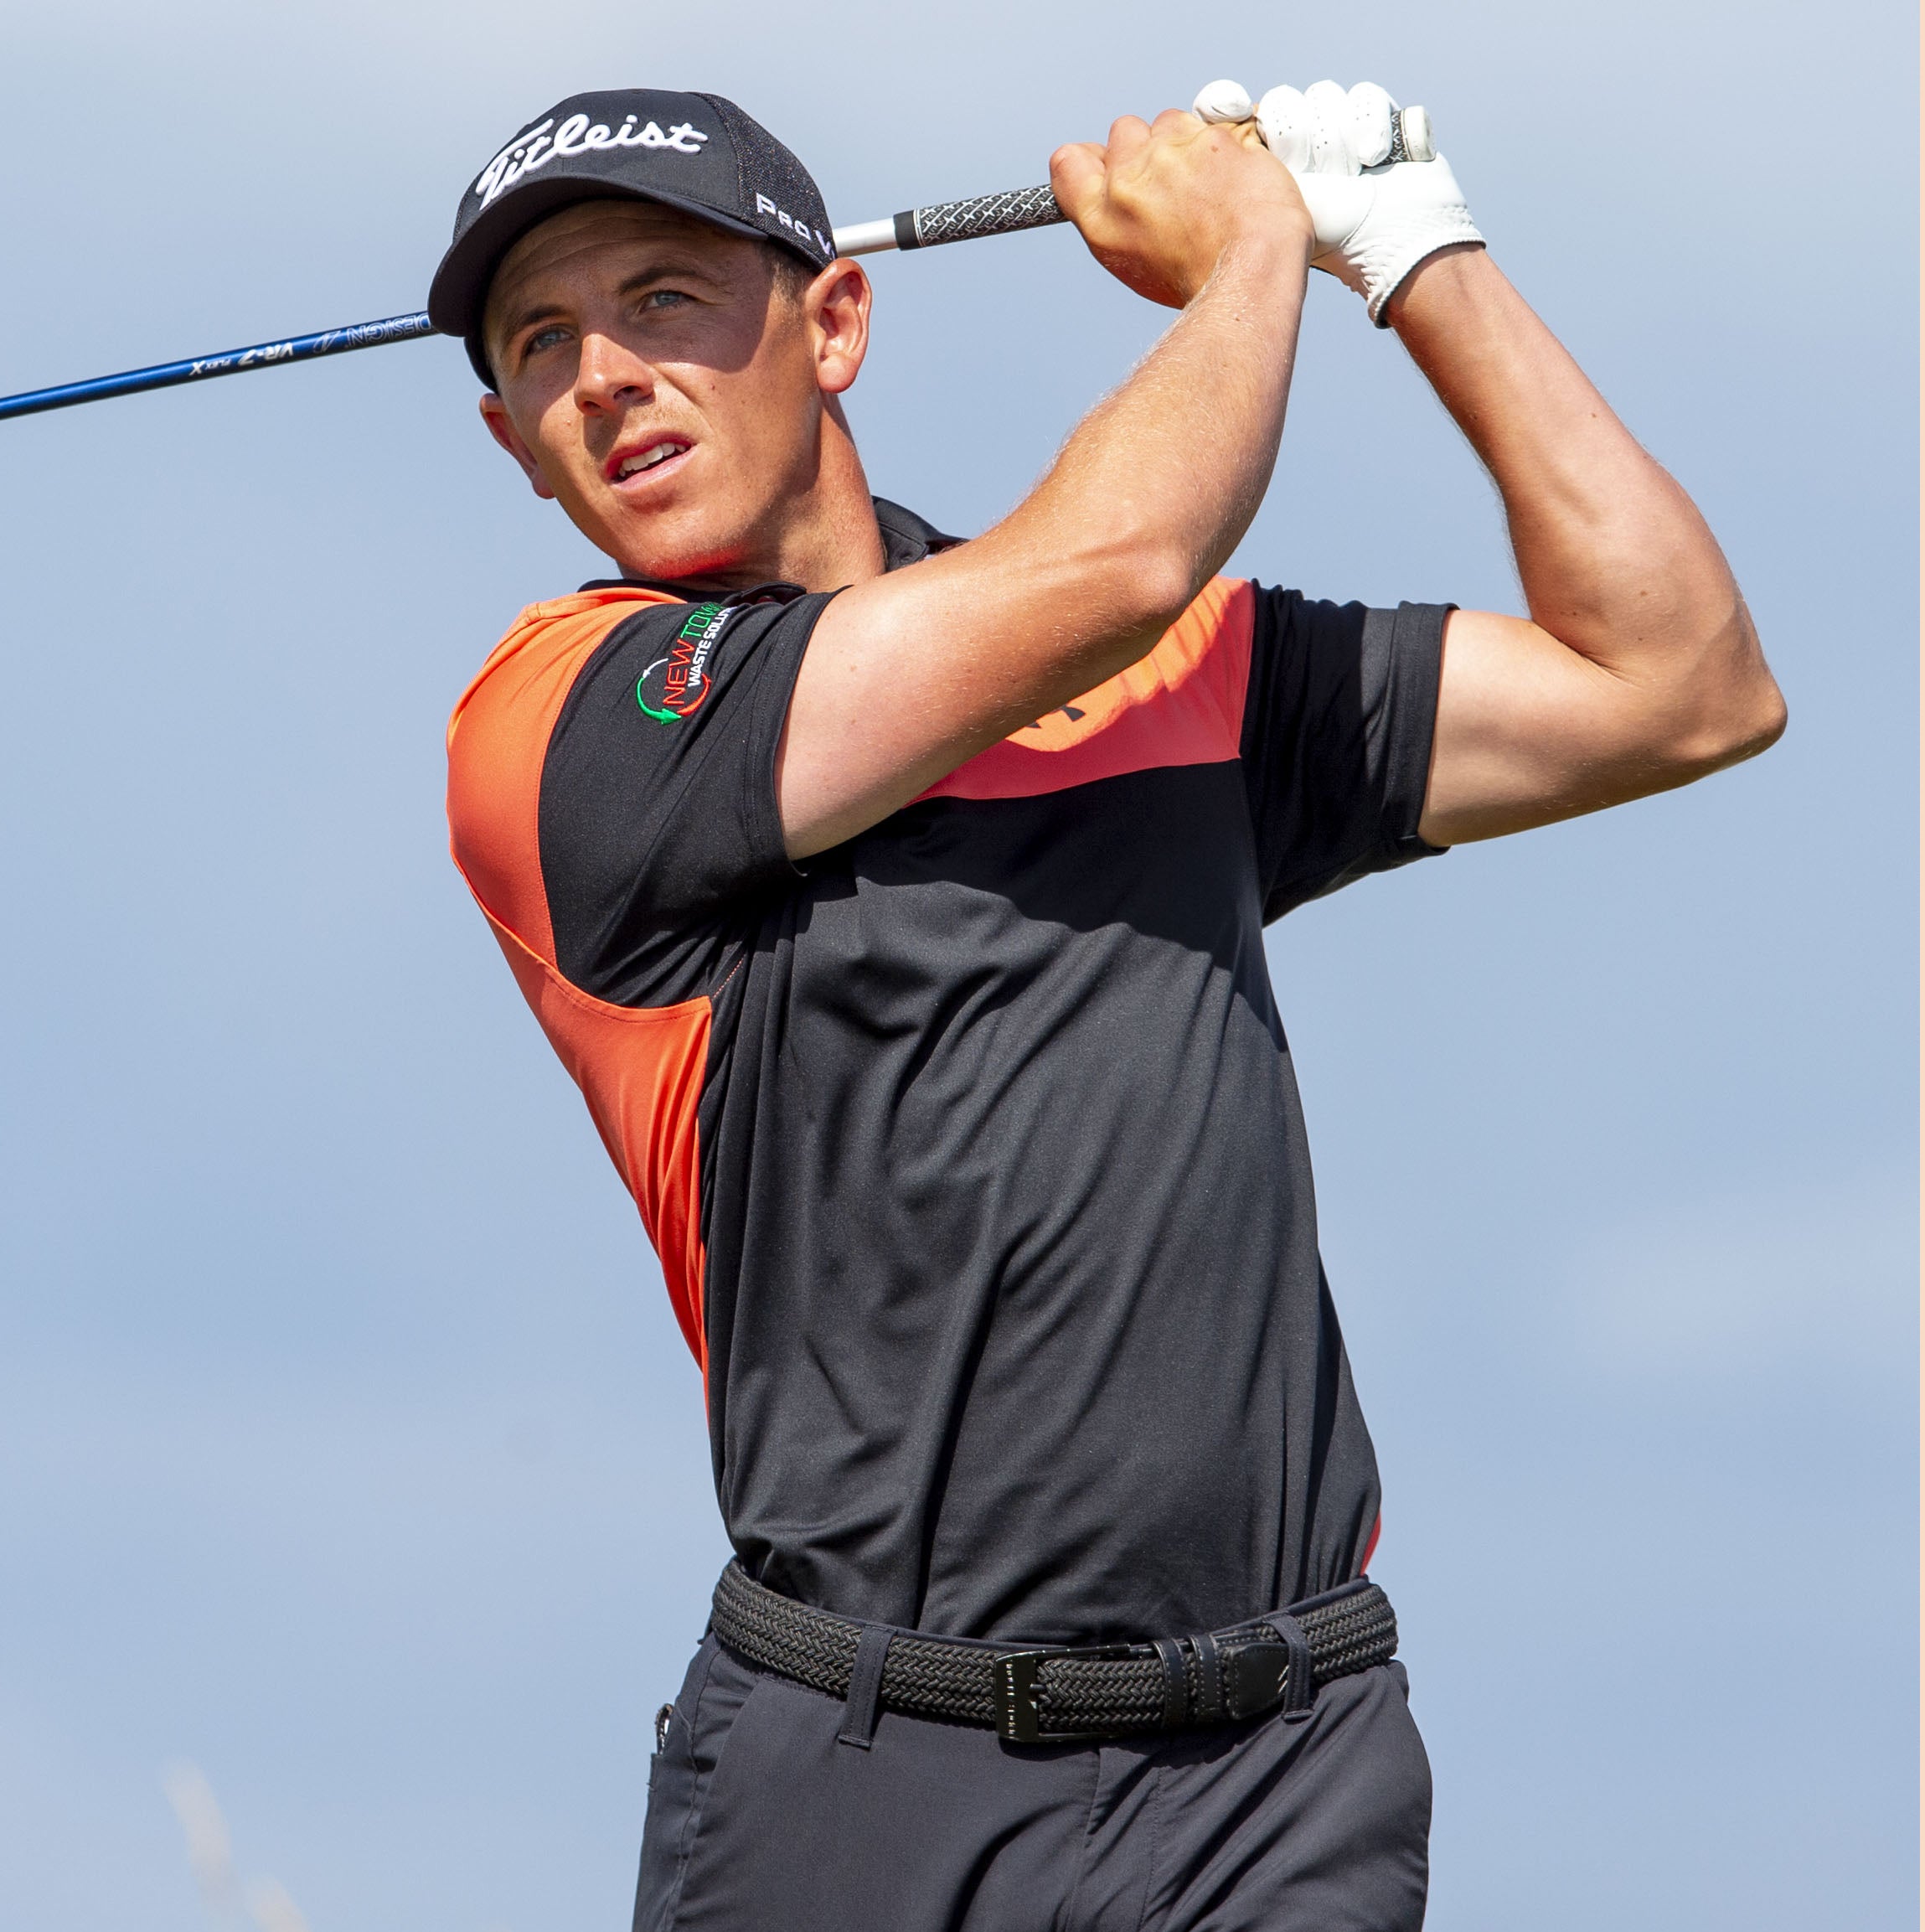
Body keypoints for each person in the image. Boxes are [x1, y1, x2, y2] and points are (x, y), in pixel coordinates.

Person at [430, 83, 1781, 1932]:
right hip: (861, 1773)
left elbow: (1679, 681)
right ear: (514, 444)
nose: (606, 371)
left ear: (830, 321)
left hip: (1277, 1776)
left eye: (665, 298)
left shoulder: (1173, 675)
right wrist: (1246, 260)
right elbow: (1107, 562)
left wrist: (1409, 250)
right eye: (542, 344)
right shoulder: (568, 721)